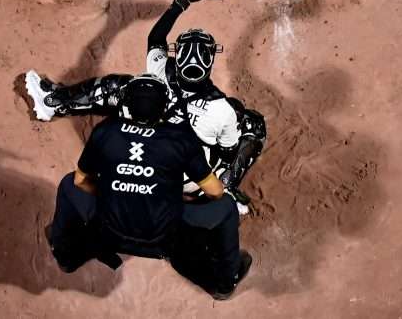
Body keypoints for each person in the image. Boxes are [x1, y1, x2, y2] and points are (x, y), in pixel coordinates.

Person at [26, 0, 266, 214]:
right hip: (187, 181)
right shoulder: (222, 109)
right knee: (252, 124)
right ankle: (225, 189)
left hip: (136, 164)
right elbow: (228, 152)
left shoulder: (161, 71)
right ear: (210, 60)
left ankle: (53, 102)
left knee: (123, 86)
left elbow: (156, 38)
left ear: (178, 58)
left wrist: (181, 1)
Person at [47, 75, 252, 299]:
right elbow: (216, 191)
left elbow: (79, 181)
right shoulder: (180, 139)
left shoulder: (106, 131)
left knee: (67, 185)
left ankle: (66, 256)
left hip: (108, 232)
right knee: (226, 207)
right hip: (165, 240)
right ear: (164, 108)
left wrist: (116, 190)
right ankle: (224, 282)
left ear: (128, 104)